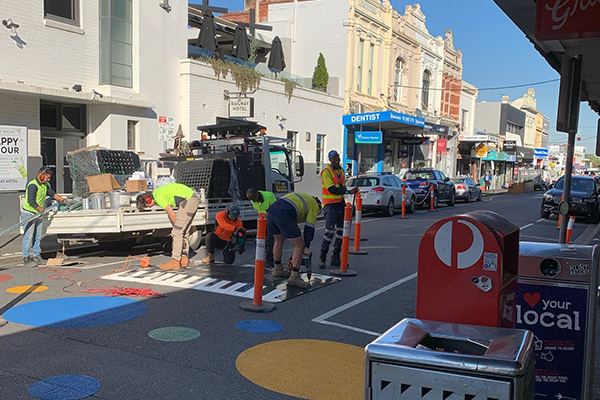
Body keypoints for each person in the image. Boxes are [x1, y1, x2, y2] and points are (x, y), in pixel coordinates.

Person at [136, 183, 199, 270]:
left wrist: (176, 228)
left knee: (177, 232)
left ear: (148, 199)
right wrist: (177, 226)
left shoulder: (157, 196)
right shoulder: (158, 193)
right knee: (183, 232)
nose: (148, 207)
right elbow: (169, 214)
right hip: (192, 200)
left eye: (146, 205)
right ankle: (184, 259)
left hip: (187, 200)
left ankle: (175, 261)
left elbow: (172, 214)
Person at [267, 192, 322, 288]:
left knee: (278, 241)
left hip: (272, 211)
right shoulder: (314, 205)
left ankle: (277, 269)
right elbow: (309, 227)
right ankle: (294, 276)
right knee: (299, 245)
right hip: (285, 213)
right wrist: (306, 246)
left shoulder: (304, 198)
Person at [318, 150, 358, 269]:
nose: (337, 160)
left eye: (338, 157)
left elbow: (341, 186)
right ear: (330, 160)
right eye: (334, 158)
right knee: (329, 233)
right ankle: (322, 257)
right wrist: (347, 191)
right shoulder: (326, 172)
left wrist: (348, 191)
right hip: (330, 206)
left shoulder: (341, 171)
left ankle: (335, 257)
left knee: (341, 232)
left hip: (340, 204)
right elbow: (331, 189)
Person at [21, 167, 65, 267]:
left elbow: (51, 193)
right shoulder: (33, 185)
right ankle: (26, 258)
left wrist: (61, 199)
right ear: (41, 175)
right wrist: (42, 209)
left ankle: (36, 256)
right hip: (29, 214)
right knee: (28, 237)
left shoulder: (44, 185)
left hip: (38, 214)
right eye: (47, 177)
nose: (48, 180)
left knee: (37, 237)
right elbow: (31, 201)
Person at [246, 188, 276, 268]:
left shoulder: (269, 196)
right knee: (262, 241)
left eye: (253, 199)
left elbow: (275, 210)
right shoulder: (253, 200)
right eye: (251, 200)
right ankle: (263, 257)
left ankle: (270, 260)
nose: (253, 201)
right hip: (262, 223)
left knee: (270, 241)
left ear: (257, 194)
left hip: (271, 221)